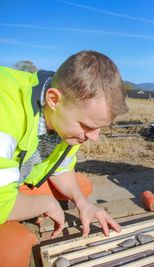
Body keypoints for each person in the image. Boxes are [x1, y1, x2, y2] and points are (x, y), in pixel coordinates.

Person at [0, 50, 128, 266]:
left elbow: (62, 168)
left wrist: (82, 204)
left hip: (12, 180)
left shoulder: (63, 114)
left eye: (99, 129)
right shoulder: (6, 108)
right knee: (15, 248)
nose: (94, 138)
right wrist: (45, 204)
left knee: (82, 187)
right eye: (87, 126)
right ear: (53, 99)